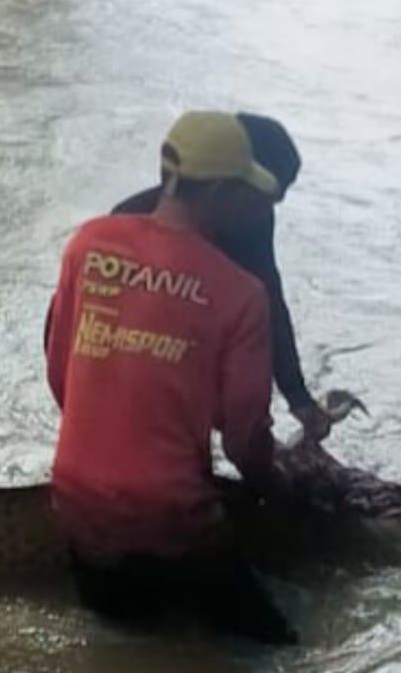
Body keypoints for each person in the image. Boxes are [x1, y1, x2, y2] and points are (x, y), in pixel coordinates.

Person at [44, 110, 295, 643]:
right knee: (276, 652)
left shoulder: (88, 245)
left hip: (74, 495)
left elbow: (60, 374)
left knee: (124, 640)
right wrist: (275, 485)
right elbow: (244, 438)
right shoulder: (240, 292)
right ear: (222, 193)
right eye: (244, 193)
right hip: (173, 511)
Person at [109, 113, 333, 443]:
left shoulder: (252, 223)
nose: (266, 211)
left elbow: (271, 305)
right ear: (233, 185)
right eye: (265, 198)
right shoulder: (125, 226)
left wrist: (298, 398)